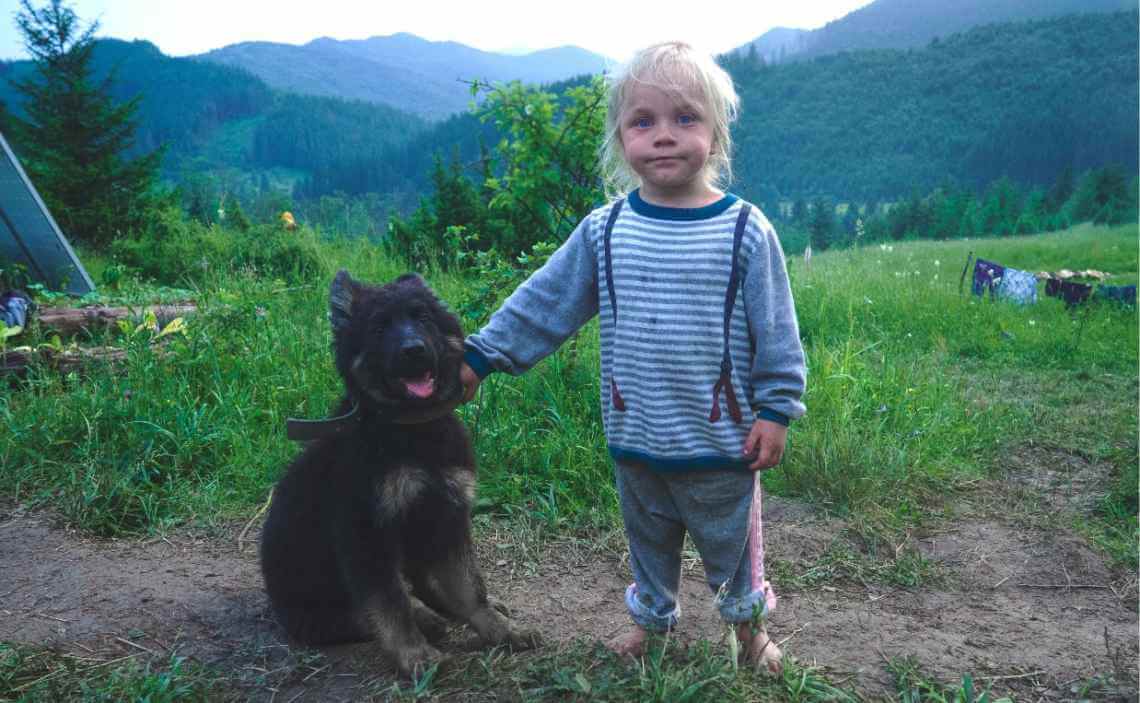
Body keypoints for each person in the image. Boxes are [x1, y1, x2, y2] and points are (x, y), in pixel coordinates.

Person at [459, 41, 806, 674]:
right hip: (636, 436)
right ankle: (651, 626)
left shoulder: (744, 230)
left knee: (734, 548)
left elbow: (777, 330)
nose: (664, 136)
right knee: (649, 545)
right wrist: (480, 356)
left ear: (717, 133)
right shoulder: (605, 230)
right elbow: (546, 302)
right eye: (643, 121)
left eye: (685, 118)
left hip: (721, 442)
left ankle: (750, 634)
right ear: (621, 140)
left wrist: (777, 409)